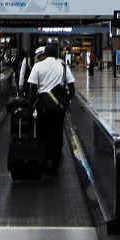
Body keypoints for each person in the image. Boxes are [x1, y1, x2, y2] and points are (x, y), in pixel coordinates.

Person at [26, 44, 76, 176]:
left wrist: (31, 108)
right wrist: (65, 102)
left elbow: (32, 89)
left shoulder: (38, 66)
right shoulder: (63, 67)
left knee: (43, 133)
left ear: (45, 54)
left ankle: (43, 163)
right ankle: (55, 166)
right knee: (57, 133)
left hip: (43, 103)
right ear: (57, 54)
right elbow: (72, 89)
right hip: (58, 105)